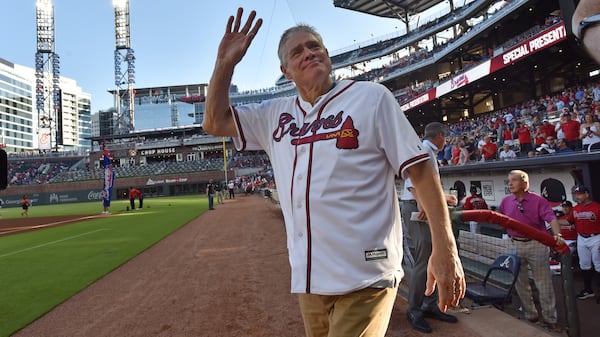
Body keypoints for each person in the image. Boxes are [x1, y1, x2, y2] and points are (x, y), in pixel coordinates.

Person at [202, 8, 465, 337]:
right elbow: (214, 122)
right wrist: (225, 64)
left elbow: (421, 170)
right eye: (297, 51)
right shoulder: (274, 115)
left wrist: (445, 247)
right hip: (310, 279)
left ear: (327, 55)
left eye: (315, 46)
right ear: (285, 70)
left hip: (365, 273)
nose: (308, 52)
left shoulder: (371, 97)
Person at [401, 122, 459, 334]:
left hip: (419, 206)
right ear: (440, 136)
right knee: (424, 260)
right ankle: (414, 309)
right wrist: (424, 204)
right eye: (445, 137)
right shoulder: (424, 149)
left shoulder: (427, 150)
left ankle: (428, 304)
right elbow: (411, 182)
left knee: (432, 256)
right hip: (416, 208)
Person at [498, 170, 564, 332]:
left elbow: (551, 218)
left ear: (525, 183)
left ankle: (550, 318)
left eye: (514, 180)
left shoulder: (538, 200)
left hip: (537, 244)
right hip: (515, 244)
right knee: (521, 283)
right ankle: (531, 315)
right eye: (509, 181)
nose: (510, 184)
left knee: (544, 283)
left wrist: (558, 235)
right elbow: (499, 220)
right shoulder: (506, 201)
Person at [567, 186, 600, 300]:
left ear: (587, 194)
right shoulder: (576, 208)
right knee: (584, 265)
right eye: (576, 194)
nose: (577, 196)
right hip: (581, 237)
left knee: (598, 265)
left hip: (596, 237)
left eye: (580, 194)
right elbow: (569, 221)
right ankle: (588, 290)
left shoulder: (597, 207)